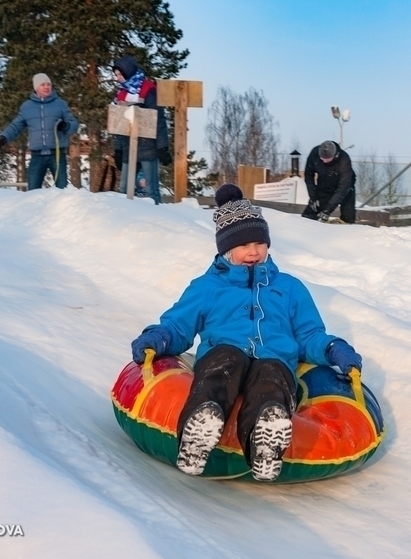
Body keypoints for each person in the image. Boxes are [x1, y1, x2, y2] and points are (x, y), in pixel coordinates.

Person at [129, 183, 362, 482]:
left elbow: (308, 335)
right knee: (222, 366)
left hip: (274, 359)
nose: (253, 251)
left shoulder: (290, 288)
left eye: (259, 243)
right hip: (223, 353)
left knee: (272, 381)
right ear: (226, 248)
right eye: (243, 244)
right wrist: (157, 337)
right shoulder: (207, 287)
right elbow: (178, 325)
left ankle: (264, 443)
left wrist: (332, 348)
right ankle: (199, 428)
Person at [0, 73, 79, 191]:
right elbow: (15, 127)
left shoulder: (60, 104)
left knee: (62, 191)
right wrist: (2, 138)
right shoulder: (27, 107)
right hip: (37, 156)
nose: (46, 87)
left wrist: (65, 126)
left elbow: (74, 124)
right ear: (36, 88)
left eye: (48, 84)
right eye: (43, 84)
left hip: (57, 155)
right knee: (32, 192)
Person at [111, 55, 171, 205]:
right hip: (127, 147)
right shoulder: (121, 93)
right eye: (116, 75)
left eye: (120, 74)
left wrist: (162, 147)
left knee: (151, 190)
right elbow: (119, 122)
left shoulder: (147, 89)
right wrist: (118, 149)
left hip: (147, 147)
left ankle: (157, 217)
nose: (118, 78)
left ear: (128, 72)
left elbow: (158, 119)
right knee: (124, 188)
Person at [302, 140, 357, 224]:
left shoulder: (344, 160)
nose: (324, 161)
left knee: (348, 213)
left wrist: (328, 210)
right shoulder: (314, 154)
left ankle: (346, 225)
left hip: (346, 186)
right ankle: (305, 225)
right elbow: (309, 175)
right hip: (324, 183)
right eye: (322, 159)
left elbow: (343, 188)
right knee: (313, 209)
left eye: (327, 159)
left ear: (335, 156)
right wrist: (313, 197)